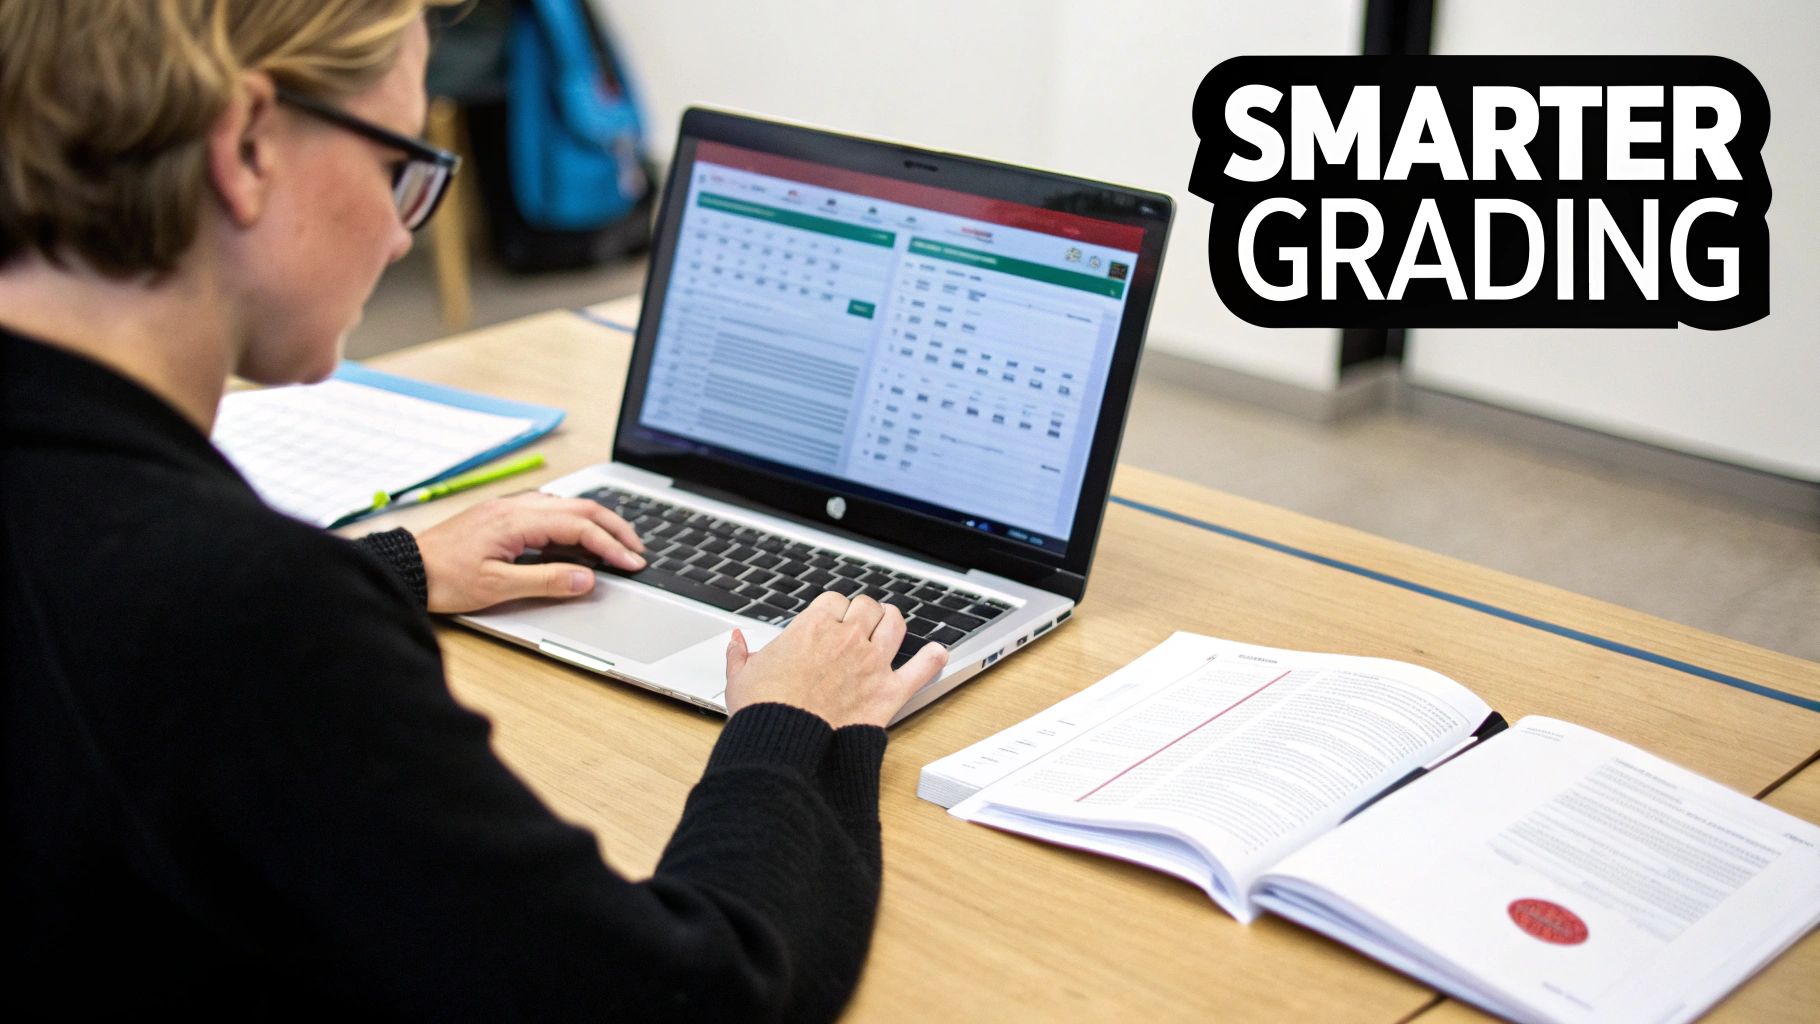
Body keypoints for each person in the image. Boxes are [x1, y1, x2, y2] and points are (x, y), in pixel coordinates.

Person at [0, 1, 946, 1018]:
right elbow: (695, 994)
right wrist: (791, 723)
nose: (407, 235)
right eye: (400, 167)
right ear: (244, 145)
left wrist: (396, 568)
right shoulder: (241, 614)